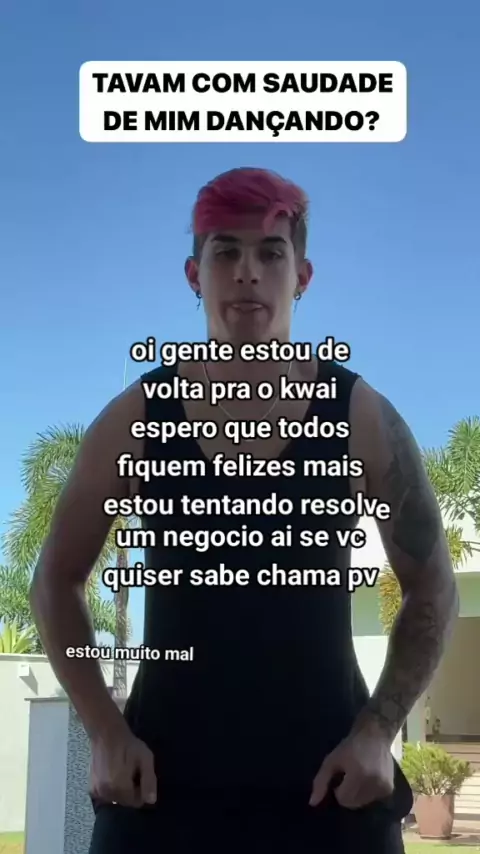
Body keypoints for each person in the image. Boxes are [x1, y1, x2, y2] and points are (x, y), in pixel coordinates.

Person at [30, 167, 458, 853]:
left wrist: (378, 730)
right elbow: (55, 579)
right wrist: (105, 732)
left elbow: (432, 585)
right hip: (161, 789)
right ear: (194, 275)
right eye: (225, 251)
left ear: (303, 275)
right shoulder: (136, 419)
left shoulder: (361, 417)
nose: (248, 272)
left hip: (333, 786)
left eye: (270, 253)